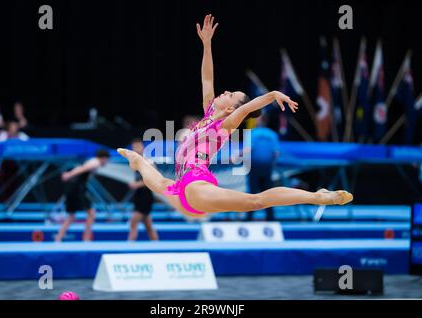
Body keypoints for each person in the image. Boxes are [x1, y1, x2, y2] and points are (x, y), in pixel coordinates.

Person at [116, 14, 353, 219]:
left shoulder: (224, 124)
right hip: (183, 190)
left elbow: (247, 108)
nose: (225, 91)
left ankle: (318, 197)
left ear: (230, 109)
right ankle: (138, 162)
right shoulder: (209, 112)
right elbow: (207, 78)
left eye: (230, 94)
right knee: (159, 182)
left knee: (255, 201)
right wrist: (207, 44)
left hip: (197, 186)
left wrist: (272, 94)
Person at [55, 149, 110, 242]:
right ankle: (86, 239)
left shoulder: (93, 161)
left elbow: (80, 168)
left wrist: (70, 174)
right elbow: (82, 169)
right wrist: (69, 174)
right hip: (77, 189)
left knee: (71, 216)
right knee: (91, 214)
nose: (108, 162)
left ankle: (58, 238)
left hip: (74, 188)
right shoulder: (95, 162)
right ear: (104, 158)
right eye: (107, 160)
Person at [245, 113, 280, 221]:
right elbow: (276, 153)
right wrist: (271, 165)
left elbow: (249, 149)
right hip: (267, 168)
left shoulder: (252, 133)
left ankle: (249, 218)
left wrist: (237, 155)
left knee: (252, 192)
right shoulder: (273, 134)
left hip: (254, 166)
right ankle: (270, 217)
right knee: (268, 193)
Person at [127, 138, 159, 241]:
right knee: (148, 225)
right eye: (134, 147)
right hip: (139, 194)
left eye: (138, 146)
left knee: (133, 222)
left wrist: (137, 185)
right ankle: (157, 246)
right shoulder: (135, 162)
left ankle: (128, 247)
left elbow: (153, 179)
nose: (136, 149)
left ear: (143, 147)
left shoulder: (148, 161)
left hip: (145, 195)